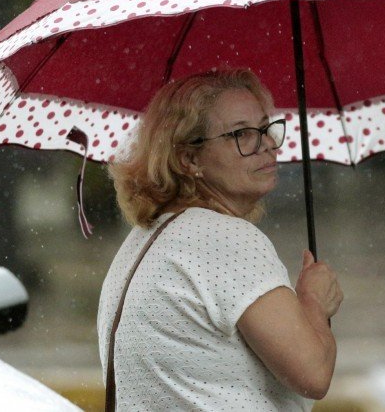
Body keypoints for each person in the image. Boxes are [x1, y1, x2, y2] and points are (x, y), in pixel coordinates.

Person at [97, 69, 343, 411]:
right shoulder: (224, 238)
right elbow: (314, 374)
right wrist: (314, 303)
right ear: (189, 158)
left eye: (265, 128)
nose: (268, 145)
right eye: (243, 134)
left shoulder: (144, 240)